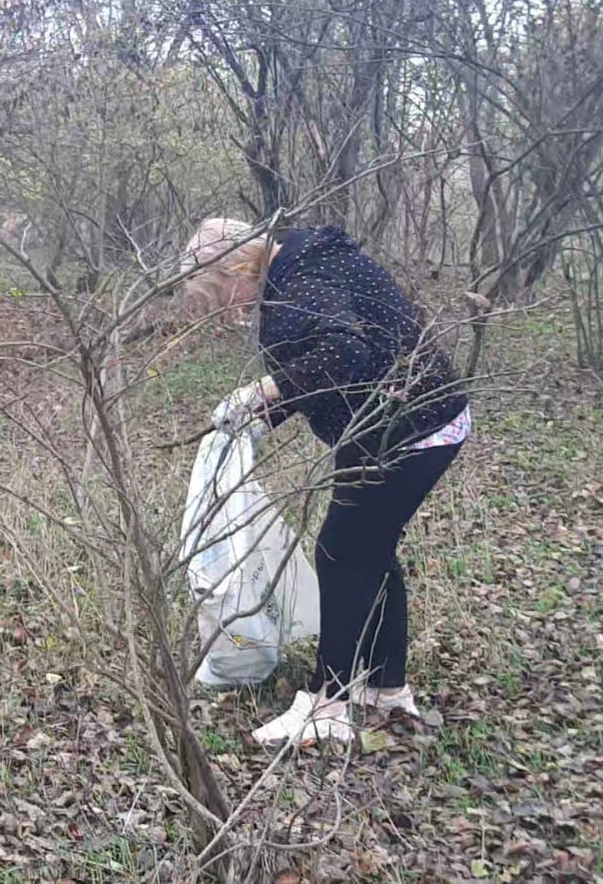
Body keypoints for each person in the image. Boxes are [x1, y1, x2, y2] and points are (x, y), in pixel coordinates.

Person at [181, 218, 471, 746]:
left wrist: (260, 393)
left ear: (237, 267)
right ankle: (385, 689)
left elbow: (343, 356)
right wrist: (263, 420)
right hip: (403, 424)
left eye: (221, 293)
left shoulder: (304, 279)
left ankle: (327, 703)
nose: (225, 308)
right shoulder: (299, 265)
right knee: (371, 551)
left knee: (341, 551)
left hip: (409, 430)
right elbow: (326, 366)